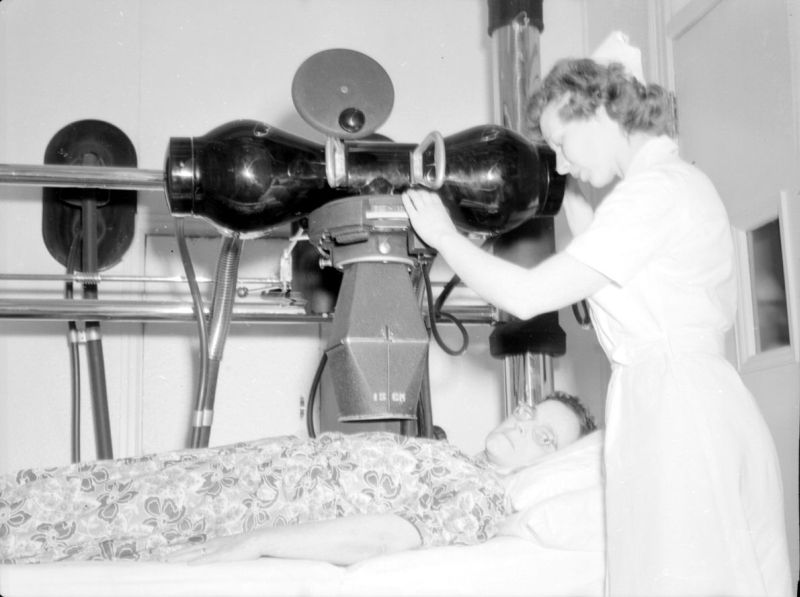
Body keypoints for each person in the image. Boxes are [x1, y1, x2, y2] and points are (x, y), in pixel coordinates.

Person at [401, 47, 793, 595]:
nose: (560, 162)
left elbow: (531, 294)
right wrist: (568, 190)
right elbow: (587, 243)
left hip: (680, 412)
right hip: (678, 400)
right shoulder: (663, 188)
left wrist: (443, 236)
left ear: (600, 111)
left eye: (562, 143)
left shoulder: (655, 195)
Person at [0, 392, 595, 566]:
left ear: (550, 466)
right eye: (530, 413)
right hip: (218, 474)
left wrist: (255, 542)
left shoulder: (481, 499)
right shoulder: (453, 458)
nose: (524, 426)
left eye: (545, 438)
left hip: (229, 509)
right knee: (62, 488)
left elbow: (389, 536)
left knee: (58, 521)